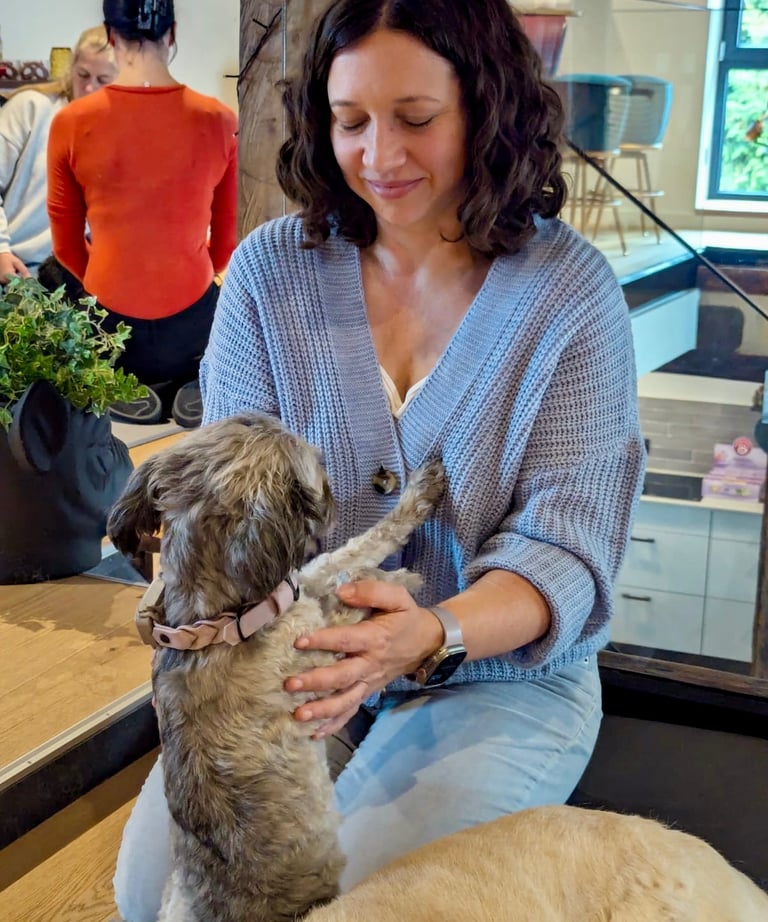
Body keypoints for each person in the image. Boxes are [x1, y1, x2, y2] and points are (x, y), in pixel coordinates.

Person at [112, 0, 646, 918]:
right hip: (293, 663)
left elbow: (567, 549)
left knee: (348, 901)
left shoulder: (568, 296)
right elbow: (230, 505)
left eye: (416, 119)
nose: (380, 157)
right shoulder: (271, 273)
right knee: (150, 897)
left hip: (499, 677)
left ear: (486, 109)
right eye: (350, 121)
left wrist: (428, 634)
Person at [46, 0, 238, 429]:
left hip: (113, 326)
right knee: (216, 299)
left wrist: (108, 279)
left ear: (111, 37)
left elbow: (65, 245)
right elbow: (225, 245)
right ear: (171, 36)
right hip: (191, 328)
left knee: (63, 283)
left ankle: (126, 380)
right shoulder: (221, 120)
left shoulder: (71, 122)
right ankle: (194, 378)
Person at [0, 26, 116, 282]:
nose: (88, 88)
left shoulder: (123, 136)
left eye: (102, 80)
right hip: (13, 270)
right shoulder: (30, 108)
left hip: (71, 279)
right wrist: (1, 249)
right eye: (82, 75)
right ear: (70, 69)